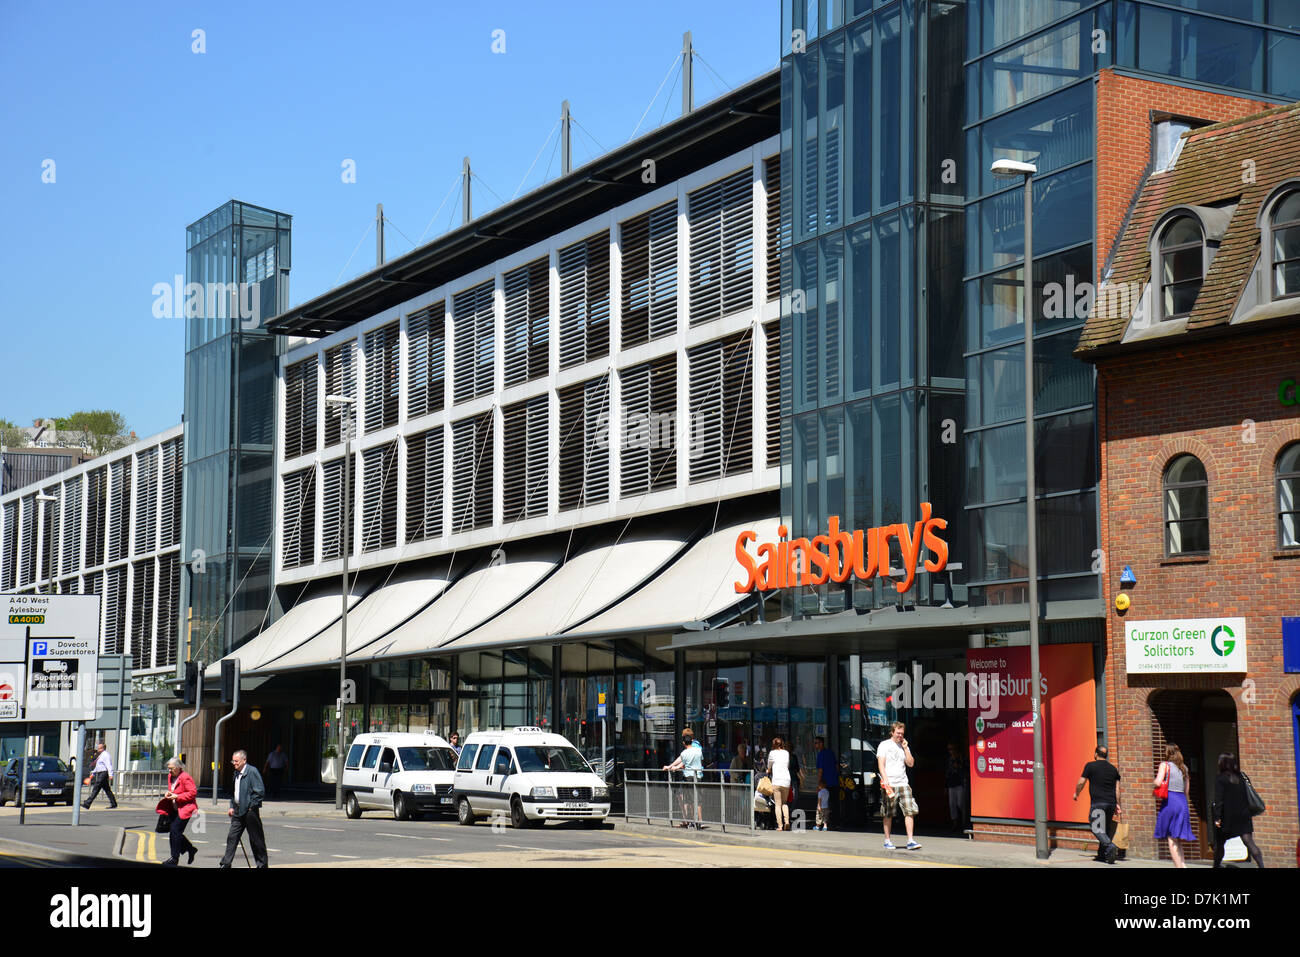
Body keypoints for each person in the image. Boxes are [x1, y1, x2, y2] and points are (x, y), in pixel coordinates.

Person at [1212, 753, 1265, 868]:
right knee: (1249, 841)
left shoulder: (1220, 778)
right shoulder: (1241, 777)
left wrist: (1217, 817)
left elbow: (1219, 800)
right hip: (1243, 815)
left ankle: (1216, 865)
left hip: (1227, 817)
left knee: (1220, 844)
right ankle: (1261, 865)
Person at [219, 749, 268, 868]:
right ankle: (226, 863)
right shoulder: (236, 773)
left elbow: (259, 792)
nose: (234, 763)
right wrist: (231, 807)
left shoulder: (252, 772)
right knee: (232, 836)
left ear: (244, 760)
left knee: (256, 840)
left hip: (250, 812)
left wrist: (251, 807)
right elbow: (233, 792)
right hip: (237, 811)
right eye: (233, 761)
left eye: (236, 761)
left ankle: (262, 865)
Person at [1073, 745, 1121, 863]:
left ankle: (1110, 846)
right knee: (1104, 829)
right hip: (1111, 803)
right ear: (1106, 755)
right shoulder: (1113, 769)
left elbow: (1081, 782)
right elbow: (1117, 790)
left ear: (1095, 754)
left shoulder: (1090, 766)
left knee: (1096, 827)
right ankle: (1102, 855)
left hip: (1098, 803)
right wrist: (1117, 804)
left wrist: (1076, 793)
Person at [877, 721, 920, 850]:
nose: (900, 736)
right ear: (892, 732)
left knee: (909, 811)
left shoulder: (904, 746)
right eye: (898, 733)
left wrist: (906, 748)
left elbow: (911, 763)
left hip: (903, 783)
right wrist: (885, 781)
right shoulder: (884, 745)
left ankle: (910, 840)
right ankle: (887, 840)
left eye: (902, 733)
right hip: (890, 783)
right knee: (888, 813)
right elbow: (881, 764)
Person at [1153, 743, 1195, 868]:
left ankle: (1178, 866)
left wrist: (1153, 782)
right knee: (1177, 837)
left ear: (1167, 753)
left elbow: (1158, 782)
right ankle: (1183, 864)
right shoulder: (1184, 768)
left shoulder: (1164, 765)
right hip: (1182, 802)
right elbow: (1186, 791)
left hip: (1170, 801)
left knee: (1171, 838)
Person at [158, 757, 199, 866]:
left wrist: (178, 796)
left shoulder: (185, 777)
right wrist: (168, 793)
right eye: (168, 768)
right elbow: (172, 789)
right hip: (174, 807)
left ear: (178, 767)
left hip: (185, 809)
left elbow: (193, 793)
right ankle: (190, 849)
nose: (169, 771)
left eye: (171, 768)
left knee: (175, 830)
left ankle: (174, 858)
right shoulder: (170, 776)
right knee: (175, 832)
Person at [662, 728, 705, 829]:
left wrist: (672, 766)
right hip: (698, 775)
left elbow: (682, 760)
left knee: (689, 800)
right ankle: (700, 821)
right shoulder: (698, 749)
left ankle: (692, 821)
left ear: (684, 742)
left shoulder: (685, 752)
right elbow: (701, 760)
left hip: (689, 776)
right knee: (698, 799)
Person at [81, 741, 117, 810]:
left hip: (104, 773)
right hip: (100, 773)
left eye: (99, 748)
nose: (98, 749)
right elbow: (98, 766)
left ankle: (87, 803)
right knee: (107, 790)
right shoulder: (100, 756)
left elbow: (109, 765)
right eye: (98, 748)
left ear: (103, 748)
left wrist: (111, 774)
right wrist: (93, 773)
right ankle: (114, 803)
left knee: (96, 788)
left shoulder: (106, 755)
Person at [767, 736, 792, 831]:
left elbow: (769, 766)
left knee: (778, 804)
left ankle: (780, 826)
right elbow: (787, 765)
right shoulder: (786, 753)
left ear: (774, 744)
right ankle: (787, 822)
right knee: (784, 803)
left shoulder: (772, 753)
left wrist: (768, 770)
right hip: (786, 780)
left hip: (777, 780)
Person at [814, 736, 837, 829]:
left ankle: (823, 823)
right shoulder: (830, 752)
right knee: (833, 803)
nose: (815, 745)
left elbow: (820, 770)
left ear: (821, 743)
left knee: (823, 804)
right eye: (815, 743)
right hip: (834, 781)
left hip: (825, 783)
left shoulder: (821, 755)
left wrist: (818, 783)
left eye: (816, 743)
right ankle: (833, 823)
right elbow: (836, 766)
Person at [944, 742, 967, 833]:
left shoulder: (961, 758)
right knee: (952, 804)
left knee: (960, 803)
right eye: (949, 749)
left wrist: (958, 765)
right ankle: (955, 823)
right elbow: (946, 774)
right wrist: (946, 786)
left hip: (960, 783)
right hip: (951, 784)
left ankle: (963, 821)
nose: (951, 751)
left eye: (953, 749)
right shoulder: (948, 760)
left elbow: (964, 769)